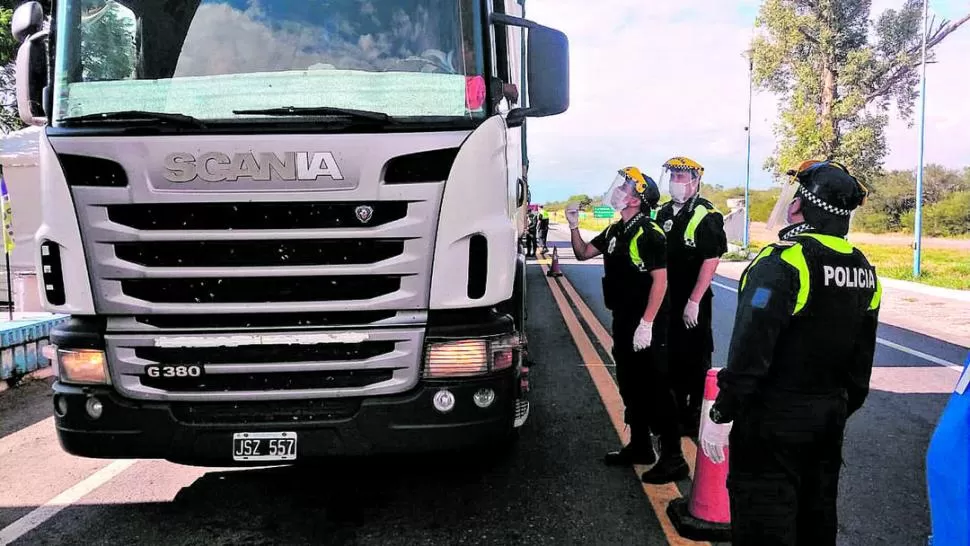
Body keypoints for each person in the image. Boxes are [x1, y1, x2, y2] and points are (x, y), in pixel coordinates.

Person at [702, 160, 881, 545]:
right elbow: (860, 367)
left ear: (801, 206)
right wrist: (833, 408)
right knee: (816, 521)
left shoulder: (784, 261)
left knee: (764, 522)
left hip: (772, 421)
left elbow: (750, 349)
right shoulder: (864, 270)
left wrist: (723, 410)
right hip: (828, 418)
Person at [566, 167, 690, 484]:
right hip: (623, 319)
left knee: (658, 388)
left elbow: (660, 282)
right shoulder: (615, 231)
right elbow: (581, 254)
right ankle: (639, 446)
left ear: (637, 199)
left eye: (625, 188)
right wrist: (574, 226)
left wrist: (647, 324)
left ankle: (674, 458)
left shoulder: (648, 233)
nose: (619, 190)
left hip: (648, 324)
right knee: (630, 384)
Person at [655, 157, 728, 436]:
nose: (676, 182)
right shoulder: (663, 213)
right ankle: (671, 412)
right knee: (669, 354)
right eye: (672, 176)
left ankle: (695, 414)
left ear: (695, 181)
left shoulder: (705, 214)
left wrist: (695, 300)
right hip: (666, 298)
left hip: (691, 299)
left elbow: (711, 259)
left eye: (681, 177)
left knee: (694, 357)